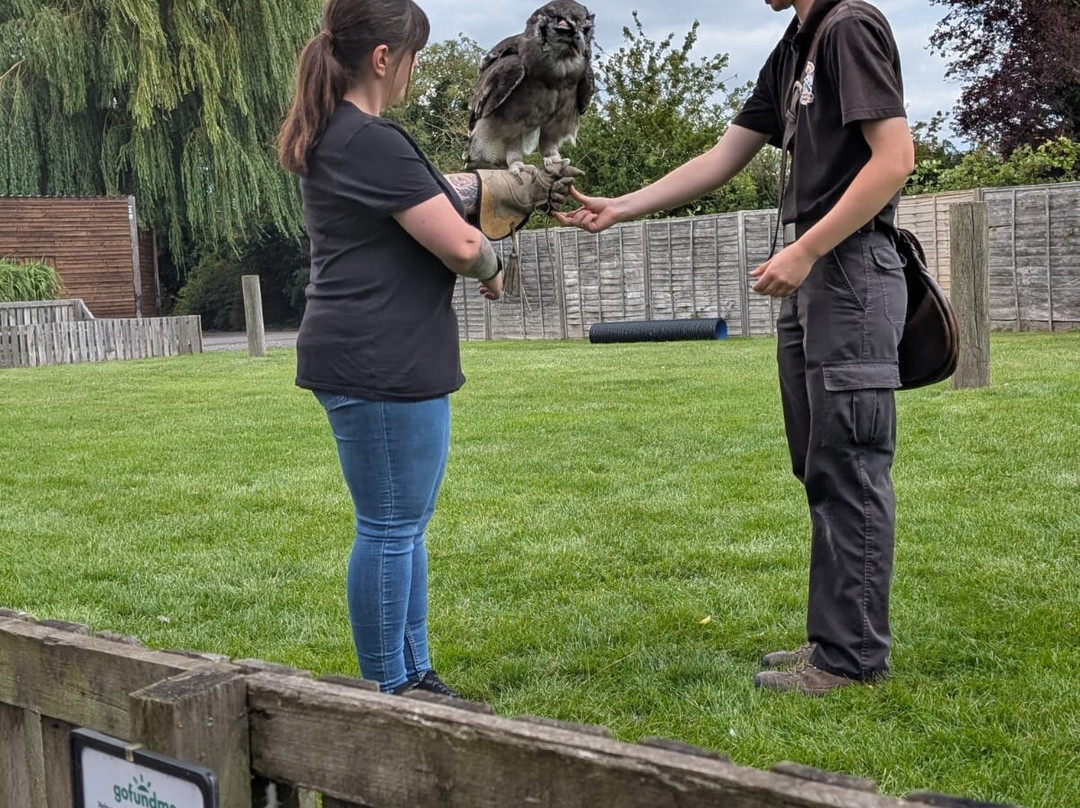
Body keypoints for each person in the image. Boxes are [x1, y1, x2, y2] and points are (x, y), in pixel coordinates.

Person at [556, 0, 914, 695]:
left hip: (848, 270)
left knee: (851, 461)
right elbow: (721, 156)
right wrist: (619, 206)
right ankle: (832, 640)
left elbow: (895, 158)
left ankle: (852, 659)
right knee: (818, 462)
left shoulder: (849, 28)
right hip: (819, 276)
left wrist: (806, 249)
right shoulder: (797, 45)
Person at [278, 0, 577, 695]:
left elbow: (439, 196)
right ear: (385, 59)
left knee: (402, 526)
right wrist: (494, 269)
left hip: (382, 355)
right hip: (379, 360)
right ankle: (392, 691)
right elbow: (461, 242)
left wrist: (488, 188)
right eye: (412, 56)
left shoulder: (343, 135)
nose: (413, 70)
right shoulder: (367, 139)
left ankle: (416, 675)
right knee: (388, 527)